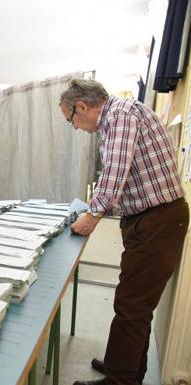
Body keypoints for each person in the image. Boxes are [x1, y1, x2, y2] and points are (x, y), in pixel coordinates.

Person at [59, 79, 188, 385]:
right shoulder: (118, 116)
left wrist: (93, 214)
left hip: (158, 221)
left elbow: (115, 170)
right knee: (135, 304)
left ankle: (120, 379)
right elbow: (125, 175)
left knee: (131, 306)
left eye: (71, 119)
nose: (75, 126)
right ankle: (126, 368)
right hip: (149, 221)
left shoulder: (121, 115)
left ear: (82, 107)